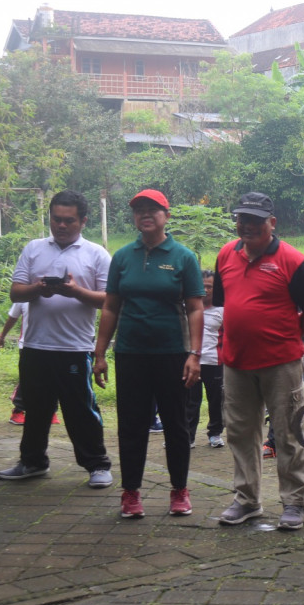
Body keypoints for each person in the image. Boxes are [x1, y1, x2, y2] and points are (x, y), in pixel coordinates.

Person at [93, 189, 204, 518]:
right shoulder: (123, 257)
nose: (145, 214)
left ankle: (180, 490)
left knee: (176, 424)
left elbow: (196, 308)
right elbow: (111, 307)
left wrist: (195, 354)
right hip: (131, 353)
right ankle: (130, 493)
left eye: (152, 209)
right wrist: (100, 353)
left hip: (172, 353)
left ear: (166, 216)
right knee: (131, 424)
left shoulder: (183, 257)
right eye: (139, 209)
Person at [214, 192, 304, 531]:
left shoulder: (293, 260)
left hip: (281, 364)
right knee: (241, 433)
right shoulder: (225, 256)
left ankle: (294, 502)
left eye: (256, 220)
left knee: (288, 433)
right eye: (242, 219)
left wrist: (286, 337)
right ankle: (246, 500)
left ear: (272, 223)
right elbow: (223, 303)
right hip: (236, 363)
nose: (247, 226)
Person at [0, 190, 112, 488]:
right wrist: (38, 288)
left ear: (83, 221)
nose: (61, 225)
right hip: (36, 345)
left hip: (75, 348)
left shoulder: (97, 254)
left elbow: (109, 301)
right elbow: (15, 292)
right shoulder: (34, 249)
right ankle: (33, 461)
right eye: (56, 219)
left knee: (81, 410)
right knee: (36, 409)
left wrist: (75, 291)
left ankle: (97, 465)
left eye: (69, 220)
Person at [262, 249, 304, 459]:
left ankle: (281, 433)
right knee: (303, 373)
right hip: (300, 329)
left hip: (294, 331)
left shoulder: (302, 278)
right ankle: (300, 412)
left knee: (291, 377)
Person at [185, 270, 225, 449]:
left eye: (210, 287)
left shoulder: (223, 310)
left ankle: (215, 433)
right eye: (203, 286)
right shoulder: (188, 308)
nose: (206, 290)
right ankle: (188, 435)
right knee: (190, 400)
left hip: (214, 363)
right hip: (192, 362)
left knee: (215, 399)